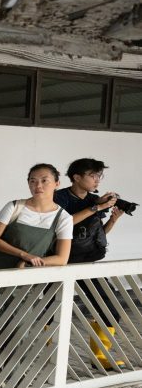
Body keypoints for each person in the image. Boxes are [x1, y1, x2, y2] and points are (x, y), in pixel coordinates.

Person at [53, 158, 127, 369]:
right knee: (50, 311)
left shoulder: (95, 200)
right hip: (59, 262)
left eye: (99, 176)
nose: (97, 180)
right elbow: (61, 225)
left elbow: (96, 234)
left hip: (87, 261)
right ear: (77, 177)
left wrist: (113, 219)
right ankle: (48, 359)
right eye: (93, 175)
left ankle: (101, 357)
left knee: (108, 307)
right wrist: (96, 207)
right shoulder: (59, 198)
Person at [0, 163, 72, 270]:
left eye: (44, 180)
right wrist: (23, 255)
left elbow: (62, 259)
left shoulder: (63, 218)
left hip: (25, 275)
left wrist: (31, 262)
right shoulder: (14, 207)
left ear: (57, 183)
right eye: (33, 181)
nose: (38, 185)